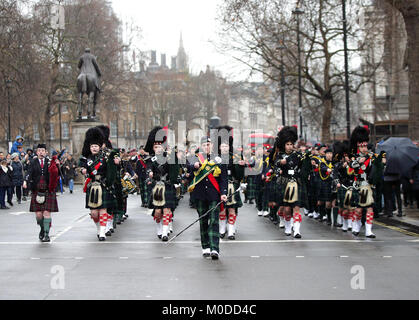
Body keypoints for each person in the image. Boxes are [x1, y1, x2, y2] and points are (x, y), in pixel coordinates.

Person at [188, 135, 228, 259]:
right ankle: (205, 246)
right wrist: (193, 166)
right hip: (200, 194)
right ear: (201, 146)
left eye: (209, 144)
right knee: (203, 221)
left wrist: (223, 193)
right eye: (205, 145)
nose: (207, 147)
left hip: (214, 194)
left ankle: (215, 248)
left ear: (212, 146)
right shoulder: (194, 158)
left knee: (214, 221)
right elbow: (188, 172)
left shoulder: (219, 159)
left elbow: (224, 178)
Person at [79, 127, 119, 241]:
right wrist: (83, 170)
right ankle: (99, 228)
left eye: (96, 146)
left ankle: (102, 232)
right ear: (89, 147)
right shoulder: (87, 159)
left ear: (100, 146)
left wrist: (116, 161)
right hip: (92, 186)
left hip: (103, 185)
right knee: (94, 213)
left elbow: (112, 167)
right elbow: (82, 167)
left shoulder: (106, 157)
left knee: (103, 210)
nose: (94, 148)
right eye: (92, 146)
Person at [348, 126, 386, 238]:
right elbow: (351, 168)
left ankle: (369, 230)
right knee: (359, 209)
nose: (364, 148)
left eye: (365, 145)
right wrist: (359, 161)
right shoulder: (354, 157)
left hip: (369, 186)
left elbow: (379, 167)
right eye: (362, 146)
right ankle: (356, 225)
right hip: (358, 186)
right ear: (358, 146)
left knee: (370, 208)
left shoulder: (372, 157)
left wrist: (382, 162)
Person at [144, 126, 179, 242]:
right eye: (155, 147)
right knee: (158, 212)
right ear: (153, 148)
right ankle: (159, 228)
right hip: (157, 187)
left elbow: (174, 171)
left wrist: (174, 157)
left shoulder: (169, 157)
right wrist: (150, 173)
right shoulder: (150, 160)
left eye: (160, 146)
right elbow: (148, 168)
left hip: (167, 186)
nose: (158, 149)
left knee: (167, 210)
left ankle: (165, 232)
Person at [24, 144, 60, 242]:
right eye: (39, 150)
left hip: (48, 190)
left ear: (46, 152)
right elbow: (28, 173)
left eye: (42, 150)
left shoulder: (50, 162)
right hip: (36, 190)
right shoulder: (33, 162)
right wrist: (25, 181)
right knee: (39, 216)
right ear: (37, 152)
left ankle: (47, 235)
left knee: (46, 213)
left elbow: (58, 174)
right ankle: (42, 229)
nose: (41, 152)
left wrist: (57, 165)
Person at [217, 125, 245, 240]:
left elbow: (239, 176)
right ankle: (222, 229)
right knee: (222, 209)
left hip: (232, 185)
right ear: (219, 146)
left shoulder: (235, 157)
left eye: (226, 145)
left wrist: (240, 166)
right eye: (222, 145)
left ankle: (231, 231)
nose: (224, 148)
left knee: (232, 209)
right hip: (220, 186)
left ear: (229, 146)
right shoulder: (215, 158)